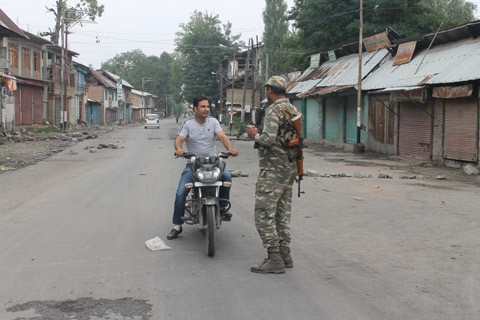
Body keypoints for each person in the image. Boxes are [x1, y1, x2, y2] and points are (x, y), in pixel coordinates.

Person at [245, 76, 300, 274]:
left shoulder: (274, 110)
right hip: (289, 168)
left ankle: (274, 257)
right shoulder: (292, 109)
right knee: (281, 213)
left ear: (269, 90)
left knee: (262, 213)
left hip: (273, 170)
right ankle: (285, 254)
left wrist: (254, 135)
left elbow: (267, 139)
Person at [167, 96, 239, 240]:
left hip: (213, 162)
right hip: (194, 164)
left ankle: (223, 207)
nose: (206, 109)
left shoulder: (213, 122)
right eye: (203, 107)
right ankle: (177, 225)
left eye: (207, 106)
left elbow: (222, 136)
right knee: (181, 192)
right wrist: (179, 149)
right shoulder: (188, 124)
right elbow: (179, 139)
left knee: (226, 177)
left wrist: (230, 148)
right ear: (195, 109)